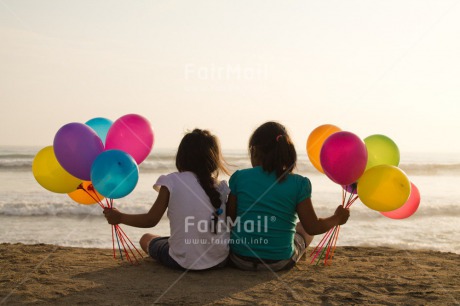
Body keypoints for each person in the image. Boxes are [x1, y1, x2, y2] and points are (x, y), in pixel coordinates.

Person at [226, 121, 350, 271]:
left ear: (255, 151)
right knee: (302, 227)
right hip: (279, 262)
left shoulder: (239, 177)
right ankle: (296, 252)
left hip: (239, 259)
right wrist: (337, 218)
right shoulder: (299, 183)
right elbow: (312, 227)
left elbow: (229, 220)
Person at [104, 129, 230, 270]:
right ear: (213, 160)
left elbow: (151, 220)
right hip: (219, 260)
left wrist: (120, 217)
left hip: (183, 261)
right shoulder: (221, 187)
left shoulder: (171, 181)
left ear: (181, 156)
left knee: (146, 238)